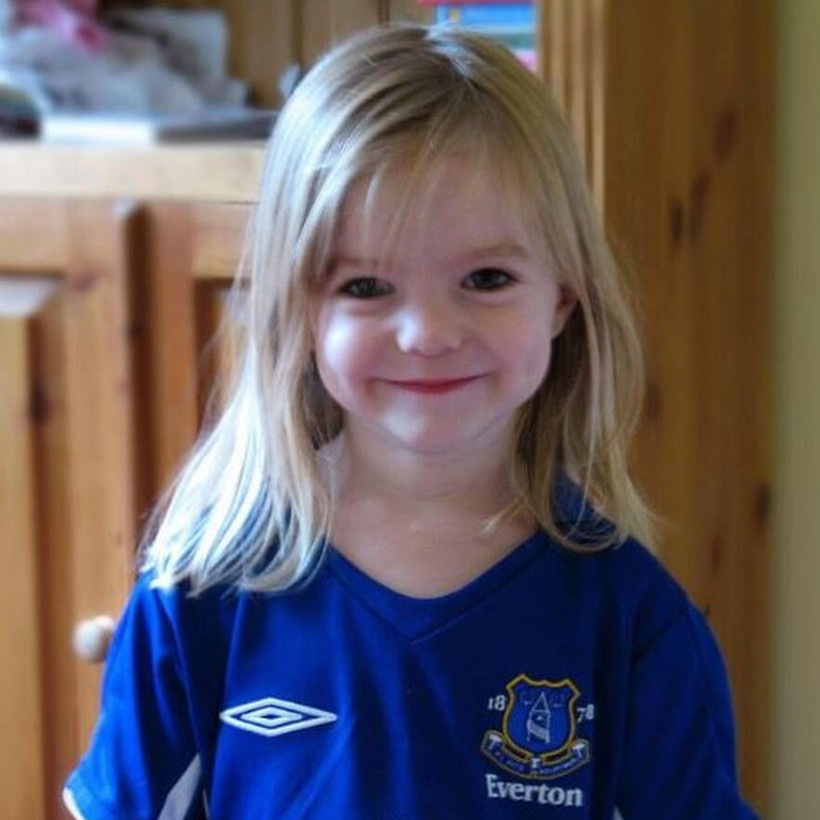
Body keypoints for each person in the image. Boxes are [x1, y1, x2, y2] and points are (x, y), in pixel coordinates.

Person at [63, 23, 761, 820]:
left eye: (486, 278)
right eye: (366, 287)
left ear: (562, 298)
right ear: (300, 308)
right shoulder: (202, 589)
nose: (428, 333)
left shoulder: (633, 620)